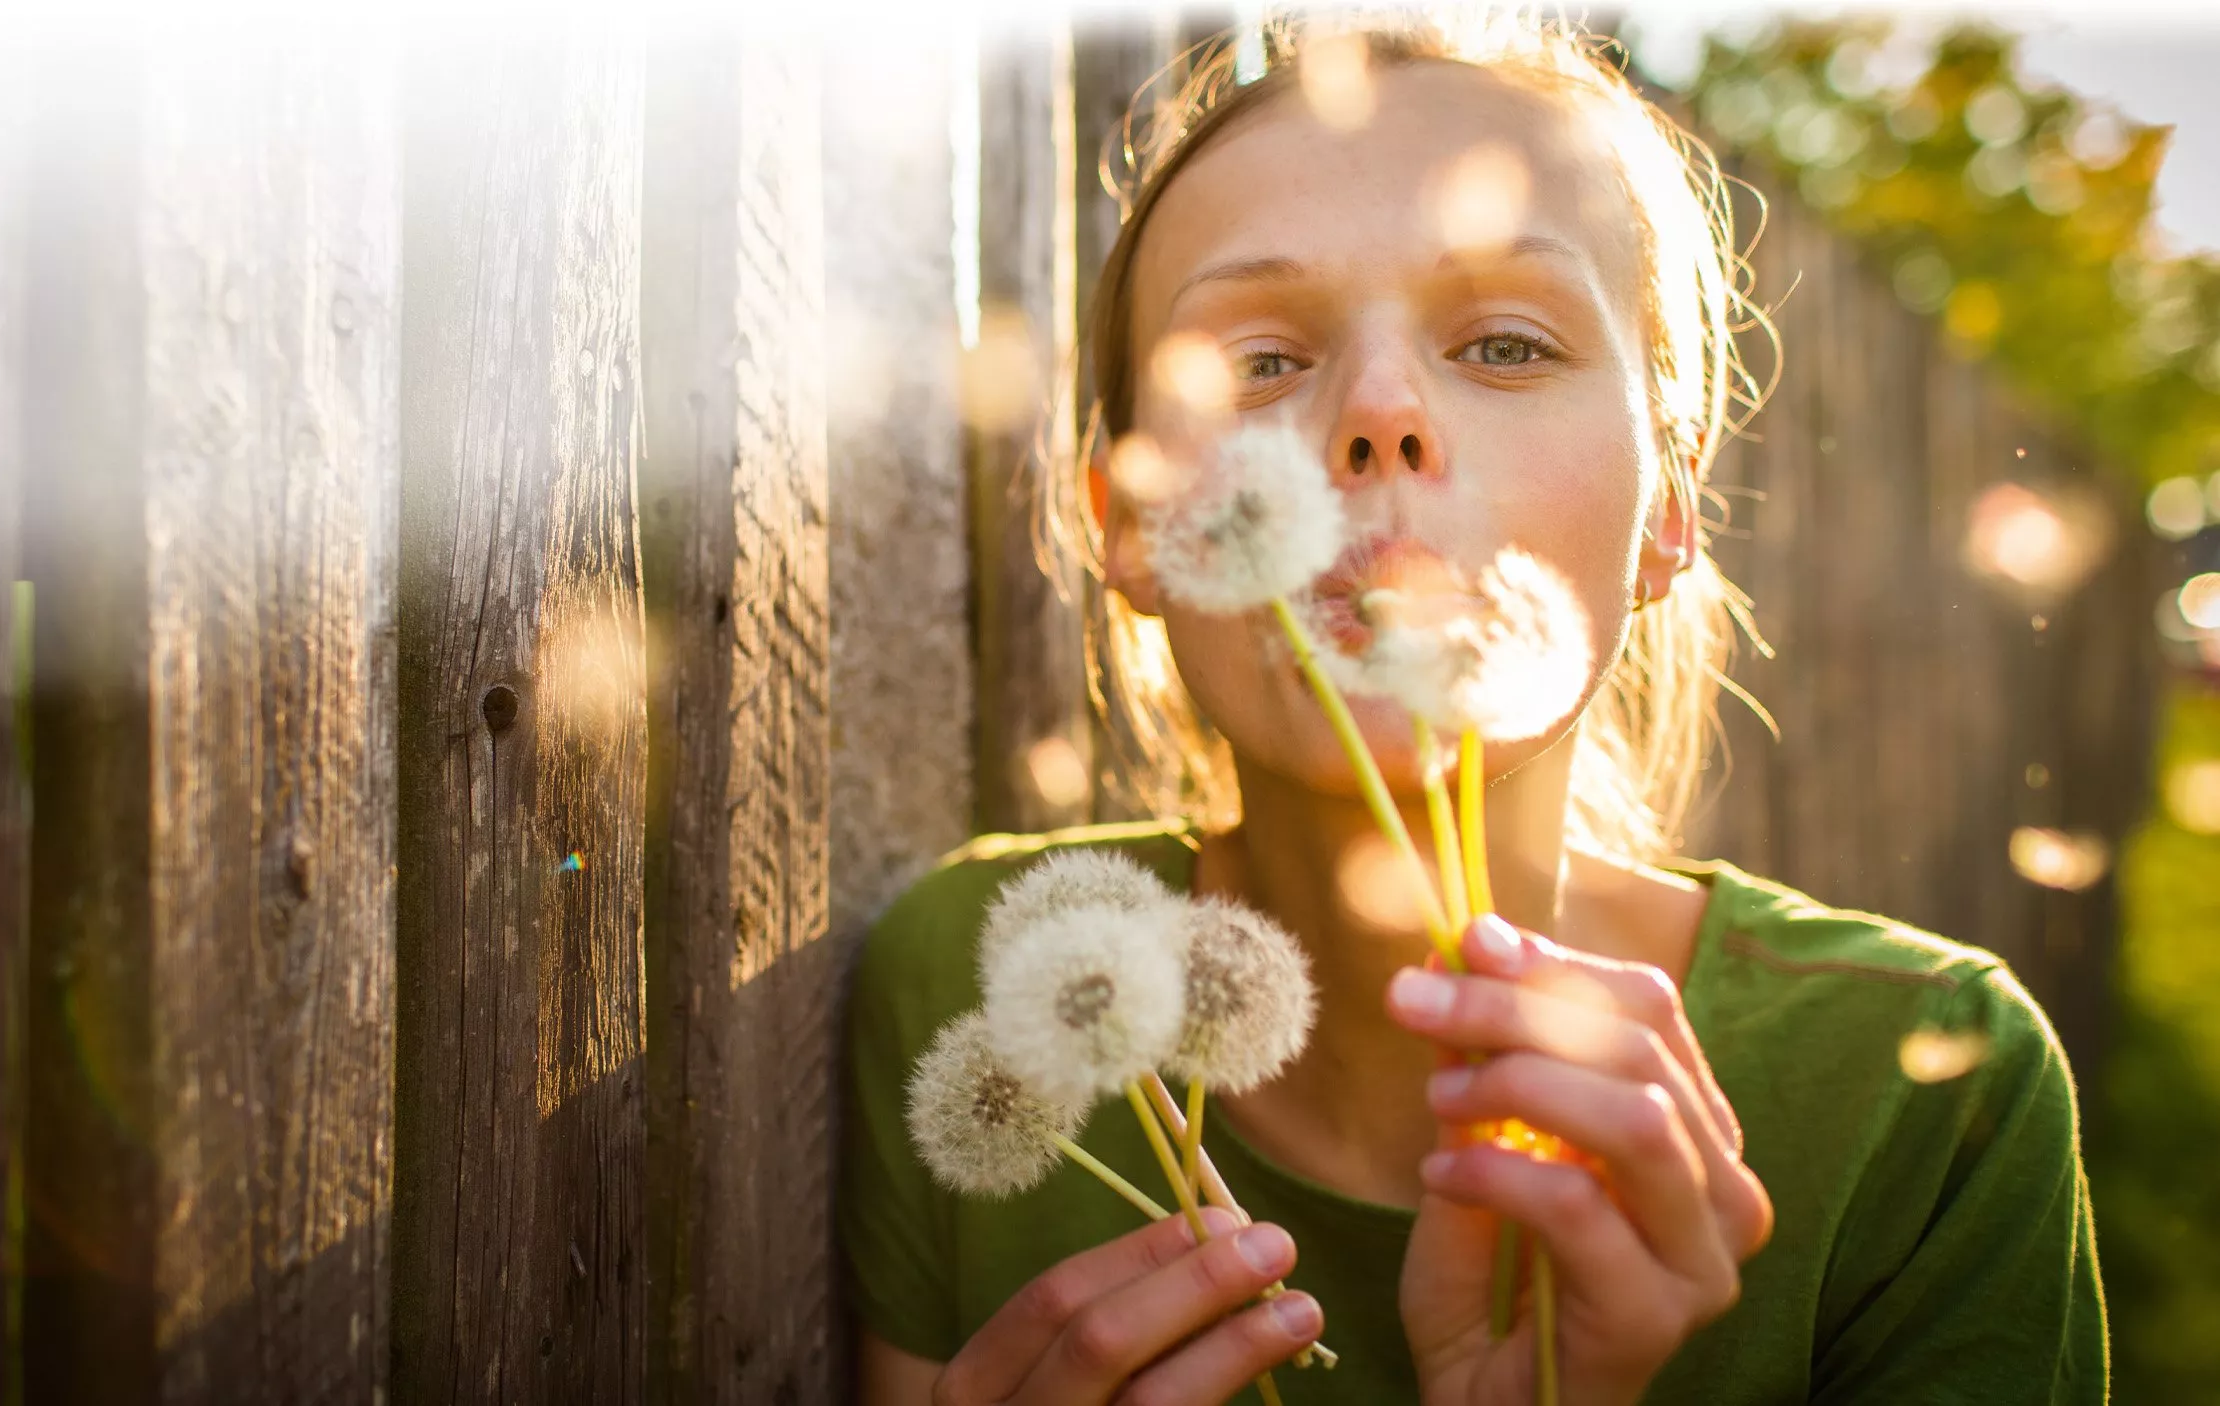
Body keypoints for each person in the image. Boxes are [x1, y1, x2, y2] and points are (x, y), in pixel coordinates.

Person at [841, 12, 2109, 1404]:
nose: (1380, 414)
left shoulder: (1932, 1103)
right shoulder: (964, 988)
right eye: (1260, 362)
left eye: (1506, 345)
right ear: (1126, 524)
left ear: (1670, 508)